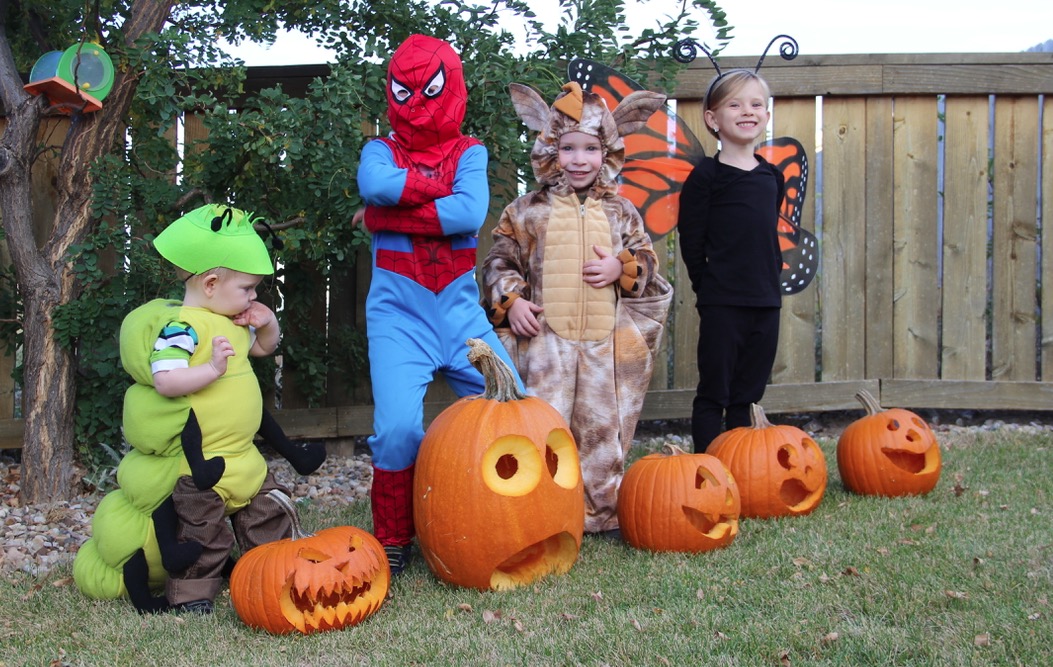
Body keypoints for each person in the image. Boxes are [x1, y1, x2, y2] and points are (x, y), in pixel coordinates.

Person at [352, 34, 520, 574]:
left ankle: (511, 511)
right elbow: (373, 181)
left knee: (516, 404)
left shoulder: (471, 152)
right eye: (407, 90)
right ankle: (396, 536)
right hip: (398, 320)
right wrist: (429, 191)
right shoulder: (379, 149)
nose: (419, 101)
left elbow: (469, 214)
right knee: (398, 428)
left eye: (430, 89)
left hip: (462, 315)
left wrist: (382, 215)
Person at [482, 81, 672, 536]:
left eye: (591, 148)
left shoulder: (622, 212)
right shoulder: (526, 212)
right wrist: (512, 301)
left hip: (604, 345)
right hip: (546, 345)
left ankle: (599, 514)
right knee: (541, 427)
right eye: (568, 148)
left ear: (607, 152)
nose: (580, 159)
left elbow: (647, 260)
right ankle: (538, 512)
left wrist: (619, 267)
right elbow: (499, 261)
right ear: (550, 148)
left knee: (601, 430)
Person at [148, 204, 324, 612]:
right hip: (200, 466)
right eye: (247, 289)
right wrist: (210, 369)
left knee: (268, 513)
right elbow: (165, 380)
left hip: (244, 458)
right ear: (210, 283)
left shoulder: (233, 321)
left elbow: (263, 348)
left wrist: (266, 324)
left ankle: (275, 570)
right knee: (202, 532)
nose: (253, 296)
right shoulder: (182, 327)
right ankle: (192, 596)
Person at [676, 70, 786, 452]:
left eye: (757, 104)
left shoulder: (772, 176)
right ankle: (709, 465)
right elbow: (692, 239)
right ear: (713, 118)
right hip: (723, 301)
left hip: (766, 301)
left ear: (767, 116)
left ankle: (743, 464)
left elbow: (768, 238)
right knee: (715, 390)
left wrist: (772, 285)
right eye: (735, 104)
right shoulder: (706, 177)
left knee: (748, 392)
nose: (748, 111)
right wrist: (707, 288)